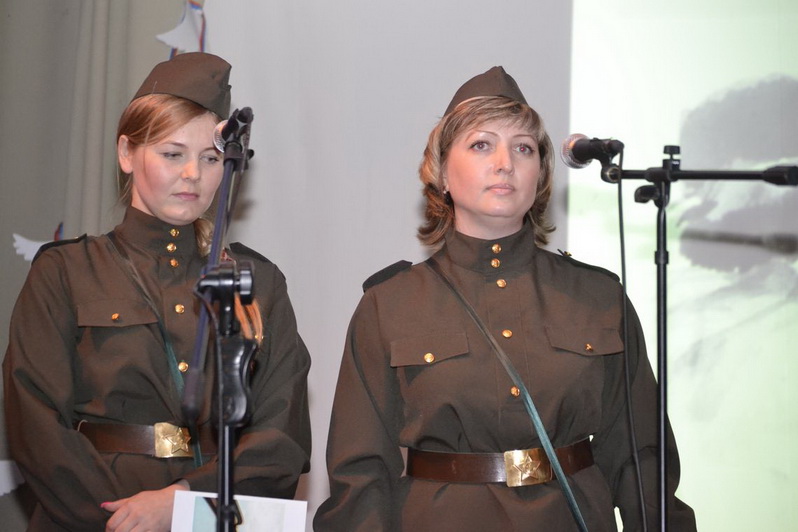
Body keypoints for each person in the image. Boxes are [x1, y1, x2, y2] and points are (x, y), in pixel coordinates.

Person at [314, 66, 695, 531]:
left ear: (540, 175)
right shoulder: (389, 304)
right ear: (441, 172)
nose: (505, 163)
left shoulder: (599, 296)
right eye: (481, 144)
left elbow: (641, 460)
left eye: (523, 148)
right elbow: (360, 475)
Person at [3, 52, 311, 531]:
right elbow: (36, 423)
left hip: (210, 517)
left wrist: (183, 504)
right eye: (172, 154)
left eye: (210, 158)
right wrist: (119, 519)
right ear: (127, 153)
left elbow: (281, 437)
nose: (193, 174)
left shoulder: (257, 283)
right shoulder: (66, 272)